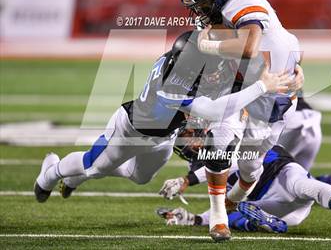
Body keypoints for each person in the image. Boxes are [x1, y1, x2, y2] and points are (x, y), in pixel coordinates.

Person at [34, 31, 293, 204]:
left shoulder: (188, 60)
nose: (214, 72)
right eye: (207, 68)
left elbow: (232, 58)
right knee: (96, 166)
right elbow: (214, 110)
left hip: (165, 136)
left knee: (139, 177)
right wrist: (260, 87)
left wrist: (290, 77)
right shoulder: (174, 83)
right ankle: (50, 173)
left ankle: (74, 177)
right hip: (132, 130)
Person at [180, 0, 303, 241]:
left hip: (276, 99)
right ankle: (219, 219)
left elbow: (250, 46)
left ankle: (228, 205)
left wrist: (208, 45)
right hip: (245, 87)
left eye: (201, 3)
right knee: (219, 140)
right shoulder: (223, 14)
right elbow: (283, 42)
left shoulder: (240, 4)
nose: (197, 10)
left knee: (250, 167)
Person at [157, 146, 331, 233]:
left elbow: (228, 160)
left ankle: (268, 222)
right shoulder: (200, 160)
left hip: (277, 172)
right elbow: (220, 204)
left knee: (302, 187)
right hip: (274, 199)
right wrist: (194, 219)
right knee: (233, 211)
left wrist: (187, 180)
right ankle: (271, 223)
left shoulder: (226, 132)